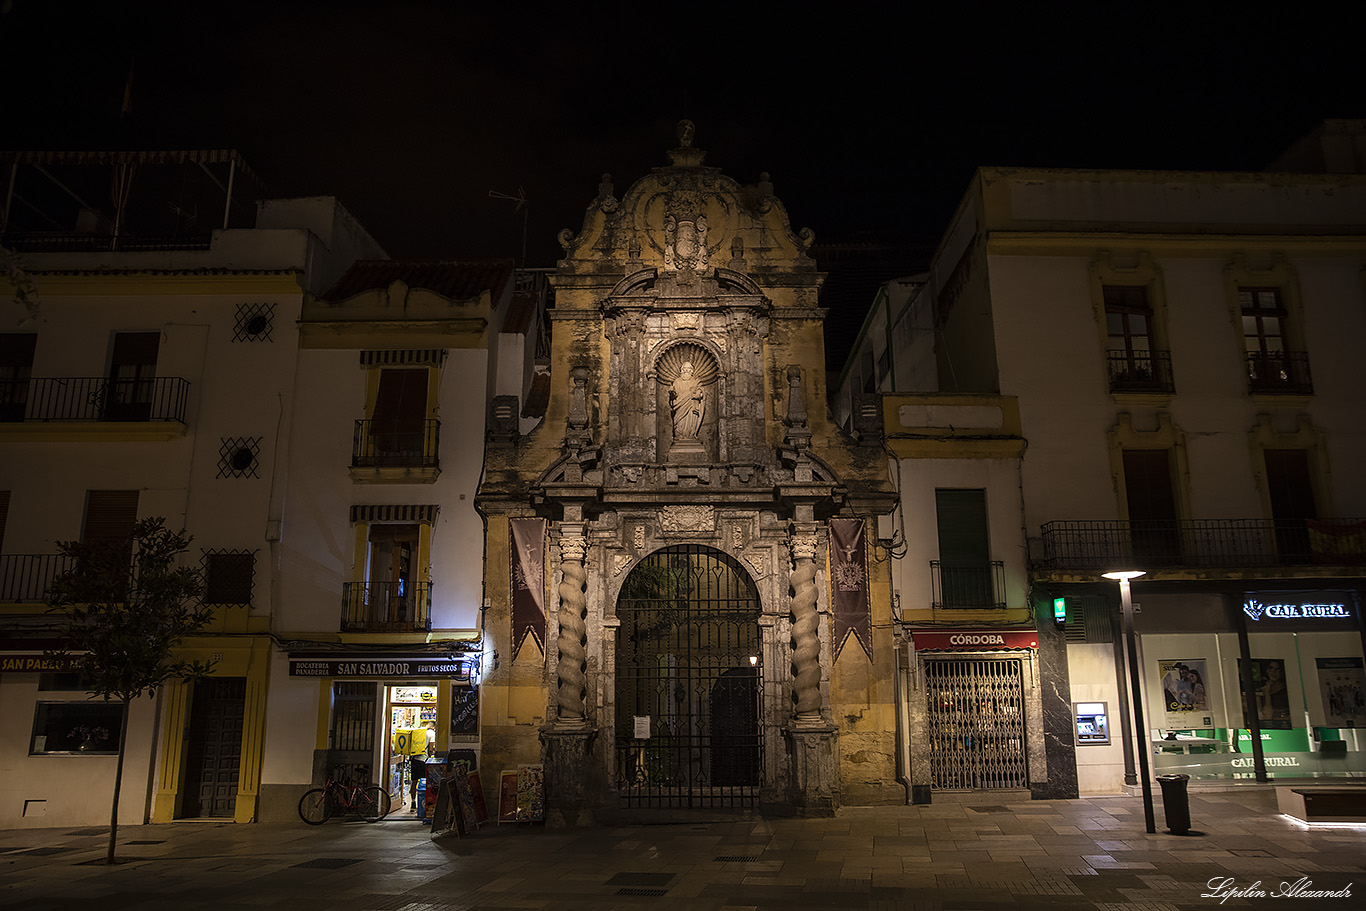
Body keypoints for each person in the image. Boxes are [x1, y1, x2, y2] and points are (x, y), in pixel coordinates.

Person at [669, 361, 704, 440]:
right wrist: (672, 392)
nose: (686, 371)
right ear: (681, 370)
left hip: (691, 406)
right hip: (679, 405)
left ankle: (691, 435)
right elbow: (674, 395)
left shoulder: (695, 381)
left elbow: (700, 393)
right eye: (684, 369)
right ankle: (679, 435)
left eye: (688, 369)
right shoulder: (677, 381)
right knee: (679, 422)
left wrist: (697, 394)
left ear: (691, 371)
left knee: (691, 421)